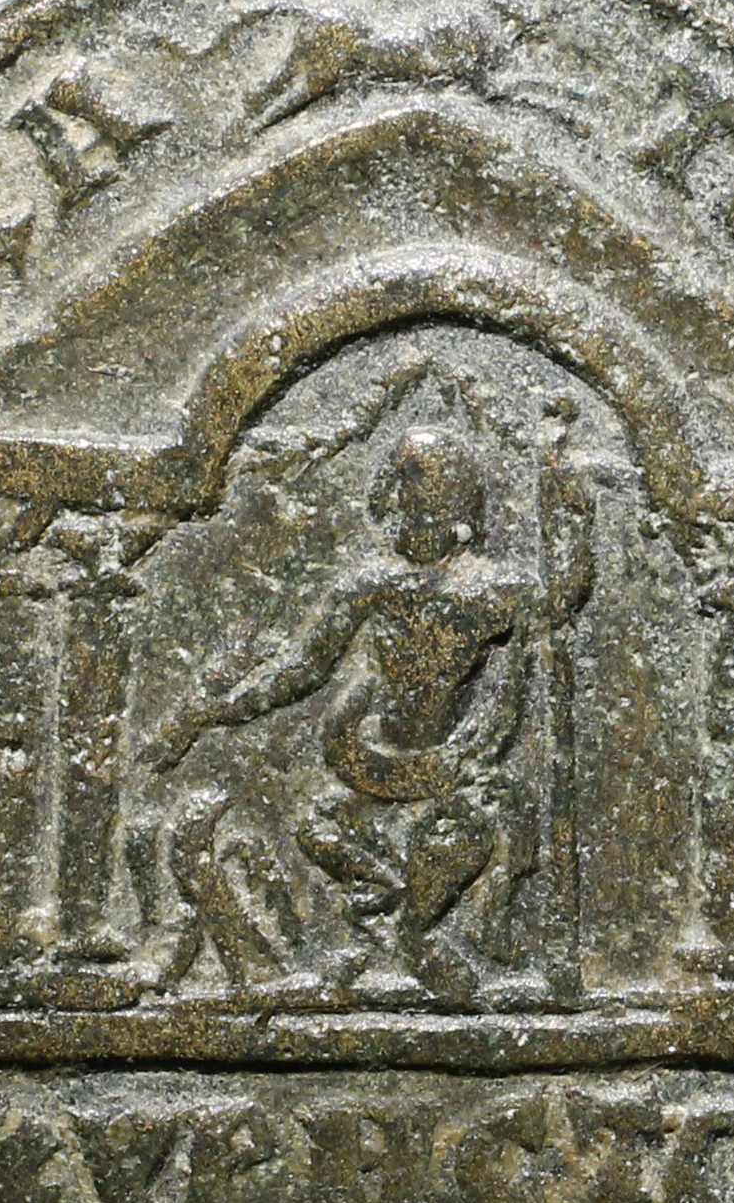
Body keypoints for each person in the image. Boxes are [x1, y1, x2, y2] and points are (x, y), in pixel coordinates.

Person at [148, 426, 536, 996]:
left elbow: (532, 658)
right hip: (371, 758)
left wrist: (573, 522)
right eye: (401, 482)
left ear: (453, 500)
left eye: (414, 484)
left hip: (459, 765)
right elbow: (303, 668)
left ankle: (421, 929)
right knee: (319, 826)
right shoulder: (373, 587)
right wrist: (212, 712)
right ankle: (392, 912)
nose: (400, 498)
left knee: (488, 824)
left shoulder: (500, 592)